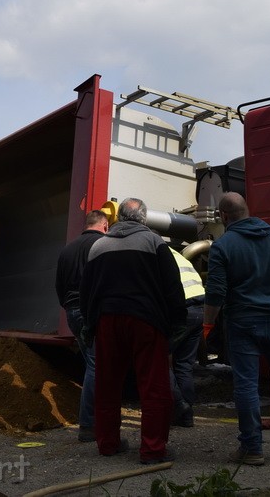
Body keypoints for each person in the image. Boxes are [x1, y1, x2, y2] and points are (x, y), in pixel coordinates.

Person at [204, 192, 270, 466]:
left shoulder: (223, 245)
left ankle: (253, 449)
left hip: (243, 322)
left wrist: (208, 325)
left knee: (247, 386)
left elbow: (216, 292)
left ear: (223, 216)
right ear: (247, 210)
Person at [80, 197, 186, 465]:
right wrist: (177, 322)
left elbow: (86, 292)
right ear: (143, 219)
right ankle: (152, 450)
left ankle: (107, 444)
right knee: (153, 387)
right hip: (145, 320)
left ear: (119, 219)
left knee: (106, 385)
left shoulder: (98, 246)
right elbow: (173, 286)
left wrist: (89, 324)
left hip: (107, 321)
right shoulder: (154, 242)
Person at [55, 204, 112, 442]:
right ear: (105, 226)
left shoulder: (67, 250)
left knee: (92, 363)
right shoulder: (101, 246)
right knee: (97, 365)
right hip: (92, 311)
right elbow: (106, 281)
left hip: (72, 311)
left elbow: (58, 286)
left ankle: (95, 421)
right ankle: (89, 425)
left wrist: (69, 307)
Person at [168, 248, 205, 428]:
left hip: (183, 310)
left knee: (157, 359)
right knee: (184, 365)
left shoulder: (156, 253)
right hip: (200, 309)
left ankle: (178, 405)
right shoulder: (176, 254)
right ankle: (186, 416)